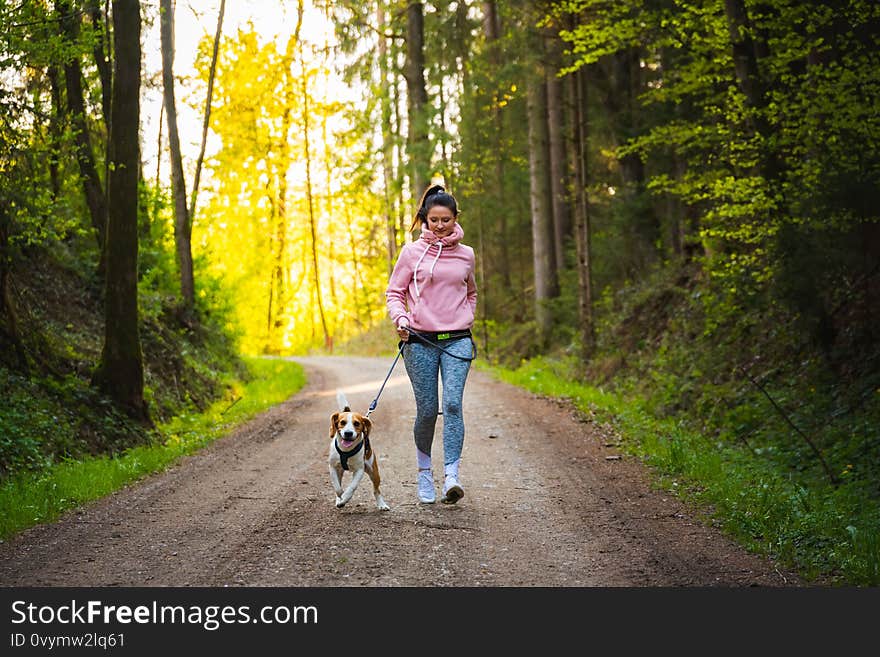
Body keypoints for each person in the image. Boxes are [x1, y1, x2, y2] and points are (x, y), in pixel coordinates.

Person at [385, 184, 477, 505]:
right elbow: (394, 293)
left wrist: (467, 315)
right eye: (434, 220)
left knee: (452, 405)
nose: (440, 226)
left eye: (446, 220)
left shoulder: (467, 254)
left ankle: (452, 475)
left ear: (455, 219)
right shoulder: (411, 252)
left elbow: (471, 292)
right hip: (419, 340)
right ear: (425, 218)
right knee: (427, 411)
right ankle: (425, 472)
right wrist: (401, 319)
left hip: (458, 340)